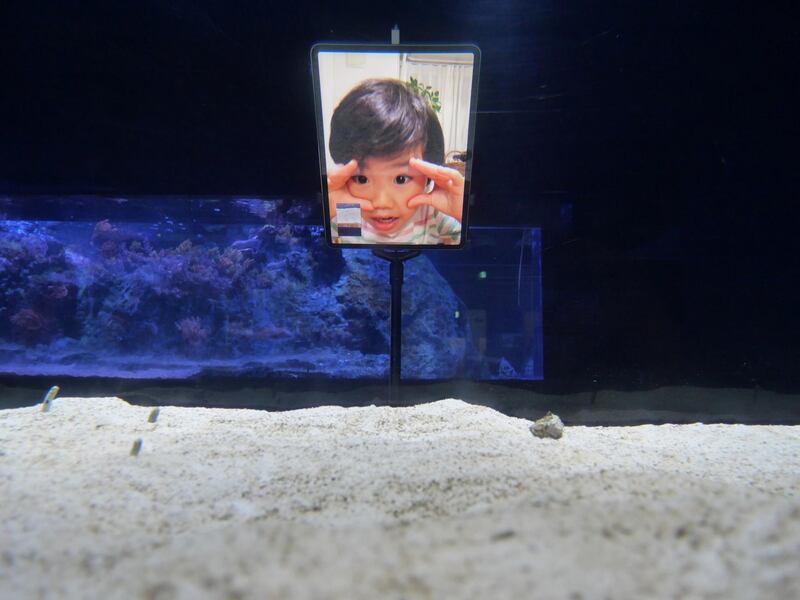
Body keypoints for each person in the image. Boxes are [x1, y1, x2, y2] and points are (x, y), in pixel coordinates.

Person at [326, 79, 464, 245]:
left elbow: (476, 251)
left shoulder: (431, 213)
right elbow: (308, 252)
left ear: (429, 173)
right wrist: (323, 213)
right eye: (361, 179)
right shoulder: (350, 214)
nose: (381, 202)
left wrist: (462, 212)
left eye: (401, 179)